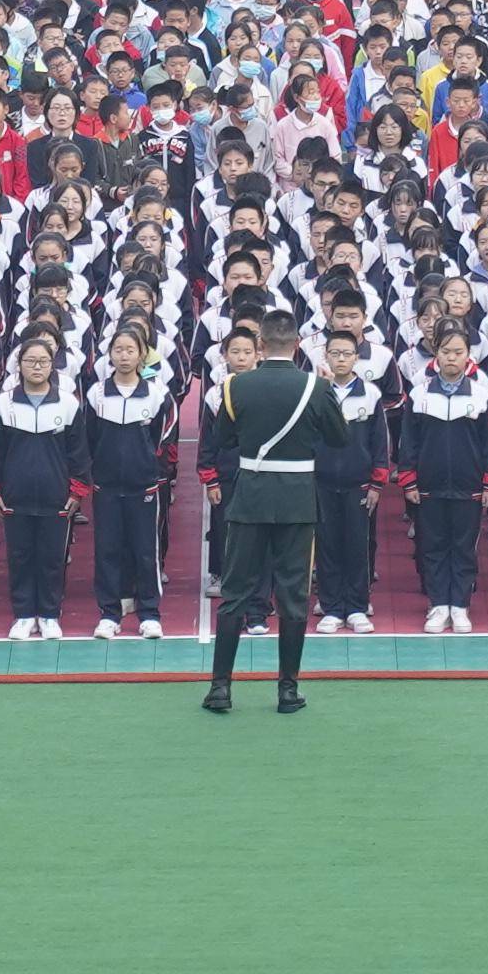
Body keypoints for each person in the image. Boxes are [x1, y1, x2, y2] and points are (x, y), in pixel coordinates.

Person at [203, 296, 334, 714]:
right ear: (297, 344)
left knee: (236, 594)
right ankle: (287, 691)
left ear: (260, 344)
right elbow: (339, 438)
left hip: (250, 497)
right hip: (297, 501)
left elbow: (222, 439)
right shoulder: (316, 387)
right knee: (293, 597)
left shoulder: (234, 386)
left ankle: (220, 688)